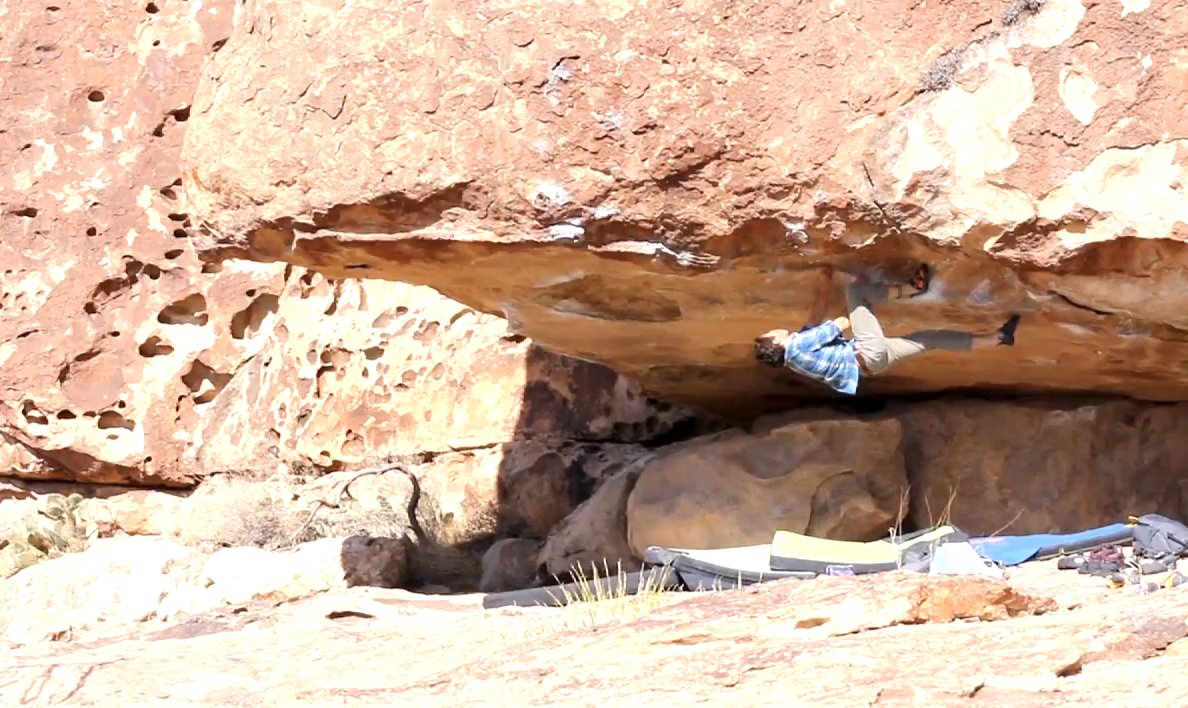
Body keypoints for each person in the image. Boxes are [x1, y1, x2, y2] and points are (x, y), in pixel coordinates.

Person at [753, 264, 1020, 395]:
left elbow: (815, 317)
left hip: (871, 365)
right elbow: (842, 323)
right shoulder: (798, 346)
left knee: (930, 339)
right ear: (775, 341)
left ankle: (1000, 338)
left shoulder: (796, 355)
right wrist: (857, 298)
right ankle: (913, 289)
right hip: (868, 353)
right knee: (856, 291)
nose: (773, 328)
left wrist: (826, 280)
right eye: (770, 332)